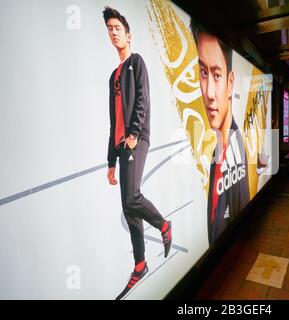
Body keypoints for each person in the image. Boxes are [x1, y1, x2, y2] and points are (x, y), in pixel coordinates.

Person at [103, 6, 172, 300]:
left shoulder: (136, 62)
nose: (113, 31)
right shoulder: (113, 77)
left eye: (117, 27)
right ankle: (140, 264)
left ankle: (164, 224)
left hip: (137, 137)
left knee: (132, 198)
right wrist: (110, 160)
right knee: (129, 208)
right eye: (110, 28)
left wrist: (133, 134)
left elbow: (142, 98)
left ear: (128, 35)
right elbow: (112, 120)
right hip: (120, 146)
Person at [190, 20, 250, 245]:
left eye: (216, 75)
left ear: (231, 82)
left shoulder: (235, 149)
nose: (209, 93)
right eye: (203, 73)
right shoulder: (220, 148)